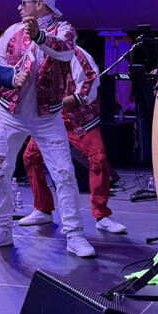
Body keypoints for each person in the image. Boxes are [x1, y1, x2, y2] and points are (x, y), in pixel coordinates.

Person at [0, 0, 96, 258]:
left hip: (47, 117)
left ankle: (74, 235)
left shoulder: (64, 30)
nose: (19, 7)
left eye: (24, 2)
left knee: (64, 173)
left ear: (39, 4)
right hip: (10, 113)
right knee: (0, 171)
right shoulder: (12, 31)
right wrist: (12, 78)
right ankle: (1, 229)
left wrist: (39, 36)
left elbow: (65, 51)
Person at [22, 43, 127, 235]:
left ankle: (102, 216)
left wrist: (55, 103)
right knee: (31, 157)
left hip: (79, 119)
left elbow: (87, 90)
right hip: (51, 120)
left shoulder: (78, 55)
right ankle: (42, 209)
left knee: (98, 160)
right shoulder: (38, 55)